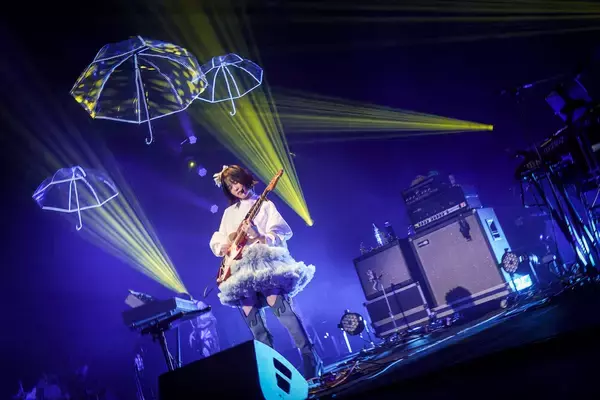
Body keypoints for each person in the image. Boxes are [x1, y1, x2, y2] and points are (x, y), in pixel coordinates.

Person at [209, 165, 322, 379]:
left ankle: (310, 357)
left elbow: (280, 232)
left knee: (277, 305)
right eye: (231, 186)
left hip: (263, 260)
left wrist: (258, 235)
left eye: (237, 182)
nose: (236, 188)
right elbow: (221, 238)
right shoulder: (228, 213)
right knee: (250, 313)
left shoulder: (265, 204)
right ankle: (273, 372)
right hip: (241, 267)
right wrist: (223, 246)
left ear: (245, 179)